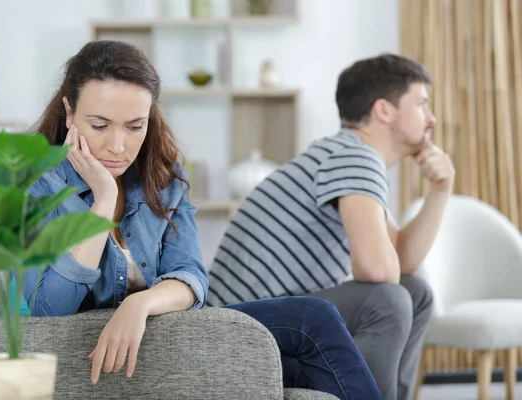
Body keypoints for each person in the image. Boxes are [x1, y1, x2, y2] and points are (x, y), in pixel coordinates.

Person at [21, 40, 383, 399]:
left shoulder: (162, 175)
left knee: (308, 355)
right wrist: (103, 201)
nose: (118, 146)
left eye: (135, 126)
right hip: (101, 352)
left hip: (171, 330)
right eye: (100, 125)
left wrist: (139, 303)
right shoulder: (36, 187)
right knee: (311, 322)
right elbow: (50, 311)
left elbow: (192, 276)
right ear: (69, 112)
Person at [207, 53, 455, 400]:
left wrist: (440, 191)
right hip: (241, 334)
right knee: (387, 299)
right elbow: (378, 270)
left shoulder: (344, 155)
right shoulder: (355, 157)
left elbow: (403, 262)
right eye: (421, 104)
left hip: (271, 321)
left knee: (416, 292)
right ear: (384, 111)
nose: (432, 118)